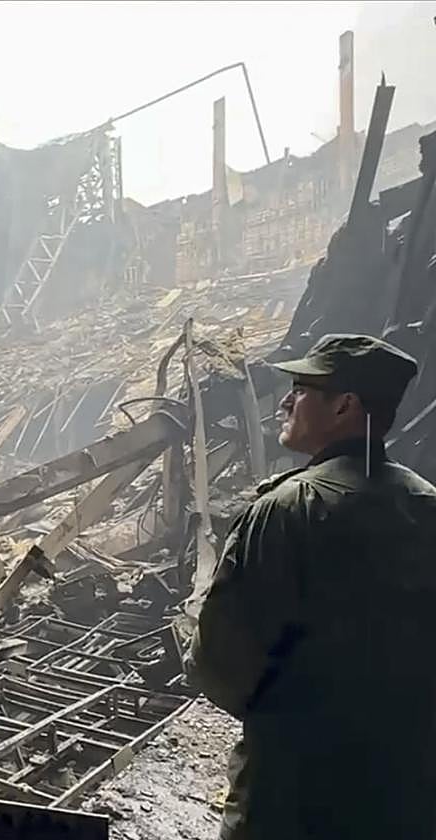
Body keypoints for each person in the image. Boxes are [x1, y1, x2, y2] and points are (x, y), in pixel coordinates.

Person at [185, 333, 436, 840]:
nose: (284, 402)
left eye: (301, 389)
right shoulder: (427, 505)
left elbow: (220, 664)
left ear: (344, 406)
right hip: (408, 796)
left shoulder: (287, 510)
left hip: (292, 798)